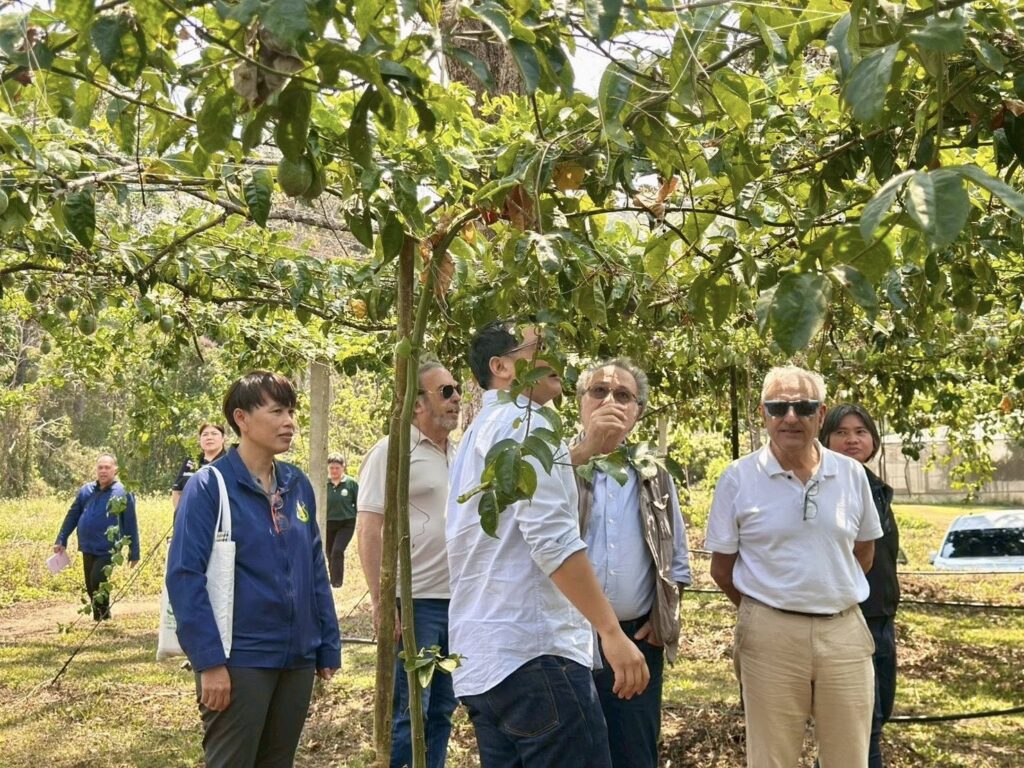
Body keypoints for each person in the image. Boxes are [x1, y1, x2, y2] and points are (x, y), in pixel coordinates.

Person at [446, 321, 648, 768]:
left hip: (486, 663)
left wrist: (584, 450)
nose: (553, 354)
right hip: (536, 655)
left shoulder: (483, 430)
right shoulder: (526, 423)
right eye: (538, 346)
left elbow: (522, 492)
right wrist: (611, 632)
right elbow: (552, 540)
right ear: (501, 367)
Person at [705, 365, 882, 768]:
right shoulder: (737, 478)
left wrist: (827, 590)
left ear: (820, 414)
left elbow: (864, 554)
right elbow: (721, 569)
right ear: (763, 413)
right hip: (770, 637)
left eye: (803, 407)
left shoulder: (851, 474)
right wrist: (766, 609)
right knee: (771, 759)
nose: (790, 417)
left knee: (850, 759)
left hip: (844, 634)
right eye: (778, 407)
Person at [166, 371, 340, 768]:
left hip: (297, 657)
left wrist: (326, 641)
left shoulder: (296, 484)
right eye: (276, 411)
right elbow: (184, 576)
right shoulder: (209, 486)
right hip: (240, 659)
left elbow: (314, 565)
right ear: (241, 418)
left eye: (291, 411)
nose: (289, 422)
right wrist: (209, 662)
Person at [570, 358, 692, 768]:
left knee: (633, 753)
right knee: (570, 752)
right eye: (599, 391)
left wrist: (662, 619)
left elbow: (676, 555)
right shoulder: (554, 464)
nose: (610, 401)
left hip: (636, 640)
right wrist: (584, 450)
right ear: (580, 401)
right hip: (565, 639)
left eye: (623, 395)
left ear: (636, 412)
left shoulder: (653, 472)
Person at [357, 361, 460, 768]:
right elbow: (369, 527)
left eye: (457, 389)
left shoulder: (460, 453)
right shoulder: (392, 451)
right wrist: (383, 602)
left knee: (444, 707)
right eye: (445, 391)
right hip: (415, 603)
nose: (456, 398)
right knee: (410, 711)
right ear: (417, 403)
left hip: (459, 602)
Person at [820, 404, 899, 768]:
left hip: (881, 619)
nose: (852, 440)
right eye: (841, 432)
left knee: (873, 722)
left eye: (860, 432)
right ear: (824, 439)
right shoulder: (824, 488)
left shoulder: (876, 487)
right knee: (862, 730)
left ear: (873, 440)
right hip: (849, 621)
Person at [53, 453, 140, 621]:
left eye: (107, 467)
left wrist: (134, 552)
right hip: (87, 546)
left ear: (115, 470)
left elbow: (130, 522)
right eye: (100, 467)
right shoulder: (86, 490)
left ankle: (102, 616)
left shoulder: (123, 492)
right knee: (90, 585)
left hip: (109, 549)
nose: (103, 471)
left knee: (97, 579)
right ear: (96, 470)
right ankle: (101, 617)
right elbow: (72, 516)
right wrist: (61, 539)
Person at [171, 422, 228, 512]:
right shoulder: (191, 461)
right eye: (205, 434)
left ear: (223, 438)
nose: (209, 437)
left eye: (214, 434)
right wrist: (181, 514)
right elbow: (177, 491)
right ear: (200, 439)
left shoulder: (229, 462)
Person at [325, 453, 358, 589]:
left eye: (337, 468)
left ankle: (337, 583)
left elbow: (359, 503)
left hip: (346, 523)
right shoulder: (324, 483)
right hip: (328, 523)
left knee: (337, 550)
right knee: (329, 553)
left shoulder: (351, 483)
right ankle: (332, 581)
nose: (334, 471)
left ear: (343, 467)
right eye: (331, 468)